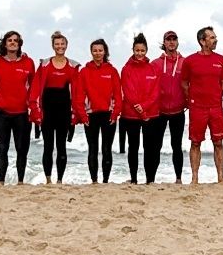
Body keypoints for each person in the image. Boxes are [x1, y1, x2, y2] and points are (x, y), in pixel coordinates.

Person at [29, 32, 81, 184]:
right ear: (53, 46)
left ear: (66, 45)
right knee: (48, 146)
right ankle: (48, 179)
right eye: (57, 44)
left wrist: (76, 113)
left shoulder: (72, 66)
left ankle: (59, 180)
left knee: (61, 146)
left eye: (62, 44)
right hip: (48, 109)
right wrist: (35, 108)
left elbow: (76, 92)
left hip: (64, 110)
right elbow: (35, 88)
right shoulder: (45, 64)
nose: (60, 46)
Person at [118, 34, 167, 183]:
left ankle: (149, 180)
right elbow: (128, 91)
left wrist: (144, 107)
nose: (139, 53)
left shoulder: (153, 69)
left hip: (151, 114)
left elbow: (155, 92)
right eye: (137, 50)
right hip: (131, 115)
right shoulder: (126, 69)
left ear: (146, 51)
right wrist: (140, 110)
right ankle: (133, 179)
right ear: (133, 50)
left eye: (142, 50)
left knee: (149, 148)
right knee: (133, 147)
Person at [0, 31, 37, 184]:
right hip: (1, 113)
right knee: (2, 148)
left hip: (22, 113)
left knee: (21, 149)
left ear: (19, 44)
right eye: (9, 40)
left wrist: (34, 108)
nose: (12, 42)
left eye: (15, 40)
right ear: (4, 44)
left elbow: (34, 87)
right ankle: (1, 181)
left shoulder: (28, 62)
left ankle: (21, 182)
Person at [183, 27, 223, 183]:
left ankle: (220, 177)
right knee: (195, 142)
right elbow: (184, 83)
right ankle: (195, 178)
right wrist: (192, 99)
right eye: (212, 37)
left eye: (215, 37)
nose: (215, 40)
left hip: (215, 107)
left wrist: (215, 97)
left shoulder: (221, 60)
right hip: (197, 108)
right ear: (202, 41)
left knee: (218, 142)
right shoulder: (190, 61)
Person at [76, 38, 122, 182]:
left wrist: (115, 114)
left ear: (105, 52)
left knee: (107, 148)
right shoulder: (84, 72)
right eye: (94, 50)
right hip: (90, 115)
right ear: (91, 52)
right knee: (93, 148)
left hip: (109, 115)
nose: (97, 53)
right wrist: (83, 116)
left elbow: (118, 95)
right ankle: (94, 180)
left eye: (100, 50)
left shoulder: (112, 71)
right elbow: (79, 95)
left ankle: (105, 181)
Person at [156, 30, 189, 182]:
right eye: (168, 40)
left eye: (174, 39)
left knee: (176, 145)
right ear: (164, 43)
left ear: (177, 42)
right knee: (156, 145)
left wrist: (188, 101)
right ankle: (151, 178)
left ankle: (178, 178)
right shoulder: (155, 63)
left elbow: (191, 83)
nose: (171, 42)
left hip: (178, 111)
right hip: (159, 111)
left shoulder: (185, 62)